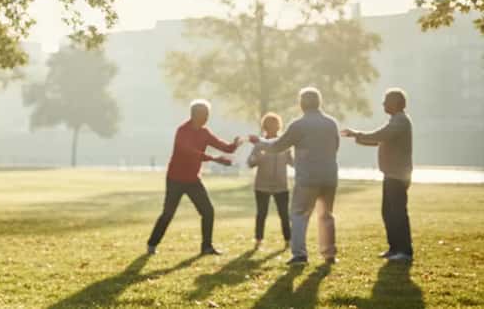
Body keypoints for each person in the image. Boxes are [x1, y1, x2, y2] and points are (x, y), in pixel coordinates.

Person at [249, 87, 341, 266]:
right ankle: (329, 254)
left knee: (299, 214)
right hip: (329, 175)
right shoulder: (331, 123)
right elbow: (336, 146)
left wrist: (260, 143)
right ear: (319, 102)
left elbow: (278, 146)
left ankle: (299, 255)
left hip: (308, 177)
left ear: (301, 104)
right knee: (326, 215)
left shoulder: (299, 125)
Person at [146, 99, 244, 256]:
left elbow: (225, 147)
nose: (206, 118)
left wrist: (235, 145)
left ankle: (207, 247)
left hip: (192, 179)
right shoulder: (182, 131)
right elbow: (188, 151)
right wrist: (214, 159)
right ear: (194, 115)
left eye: (207, 114)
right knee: (168, 213)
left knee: (208, 211)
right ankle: (152, 244)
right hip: (175, 179)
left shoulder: (204, 132)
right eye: (204, 114)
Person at [342, 88, 414, 263]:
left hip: (397, 175)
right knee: (388, 212)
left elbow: (380, 136)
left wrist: (357, 134)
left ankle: (404, 250)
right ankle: (394, 248)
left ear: (396, 103)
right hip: (391, 174)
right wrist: (357, 138)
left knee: (396, 212)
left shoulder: (401, 121)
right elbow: (379, 139)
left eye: (386, 101)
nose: (383, 104)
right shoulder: (395, 121)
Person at [247, 112, 292, 248]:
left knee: (284, 214)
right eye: (269, 125)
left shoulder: (285, 144)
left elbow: (292, 162)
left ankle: (288, 240)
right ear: (264, 127)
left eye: (275, 124)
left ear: (279, 126)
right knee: (261, 213)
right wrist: (259, 157)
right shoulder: (259, 144)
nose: (272, 127)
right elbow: (250, 163)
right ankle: (258, 239)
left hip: (281, 185)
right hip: (262, 185)